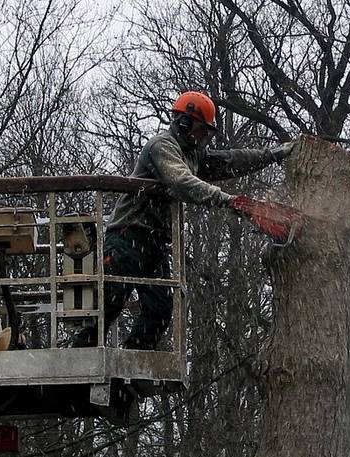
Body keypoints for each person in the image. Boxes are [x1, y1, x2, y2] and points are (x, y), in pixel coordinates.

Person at [71, 91, 294, 350]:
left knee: (160, 310)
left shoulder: (193, 154)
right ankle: (76, 366)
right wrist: (228, 200)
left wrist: (272, 155)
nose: (205, 138)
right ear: (185, 123)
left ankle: (130, 369)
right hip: (127, 237)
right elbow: (181, 182)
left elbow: (231, 160)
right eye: (203, 131)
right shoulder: (162, 147)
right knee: (108, 305)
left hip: (154, 243)